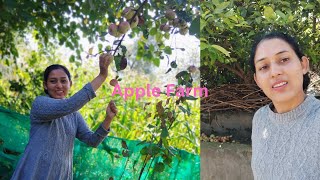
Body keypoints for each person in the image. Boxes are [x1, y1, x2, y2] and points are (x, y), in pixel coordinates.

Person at [11, 53, 118, 180]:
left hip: (60, 174)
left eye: (63, 81)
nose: (59, 86)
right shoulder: (40, 104)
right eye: (53, 81)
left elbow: (92, 140)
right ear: (45, 85)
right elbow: (69, 105)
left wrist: (108, 119)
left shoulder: (74, 116)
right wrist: (102, 76)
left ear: (70, 84)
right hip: (34, 172)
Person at [250, 32, 320, 179]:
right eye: (263, 67)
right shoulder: (260, 119)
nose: (275, 72)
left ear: (303, 65)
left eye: (284, 59)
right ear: (257, 80)